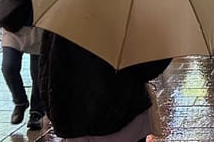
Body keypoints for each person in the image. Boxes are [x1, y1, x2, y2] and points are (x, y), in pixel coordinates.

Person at [39, 30, 171, 141]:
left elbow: (45, 65)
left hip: (73, 117)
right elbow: (148, 67)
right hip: (122, 113)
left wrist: (53, 110)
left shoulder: (62, 10)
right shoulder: (130, 9)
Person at [0, 0, 44, 129]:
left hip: (39, 22)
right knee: (9, 67)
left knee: (38, 74)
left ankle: (36, 113)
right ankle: (20, 101)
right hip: (14, 22)